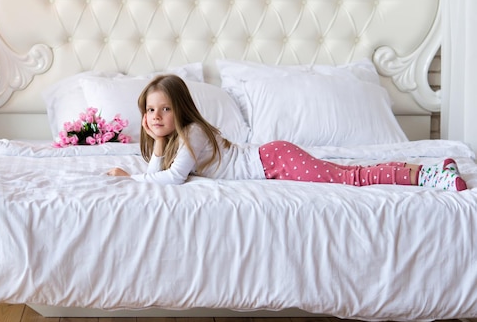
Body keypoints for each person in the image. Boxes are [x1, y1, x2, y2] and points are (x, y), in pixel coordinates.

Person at [107, 75, 468, 191]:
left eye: (164, 108)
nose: (155, 116)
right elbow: (161, 172)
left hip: (272, 160)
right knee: (345, 173)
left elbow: (171, 178)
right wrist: (156, 143)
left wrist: (132, 181)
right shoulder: (170, 139)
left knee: (350, 178)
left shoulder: (193, 133)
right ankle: (432, 170)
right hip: (271, 160)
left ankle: (429, 174)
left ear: (181, 108)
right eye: (150, 110)